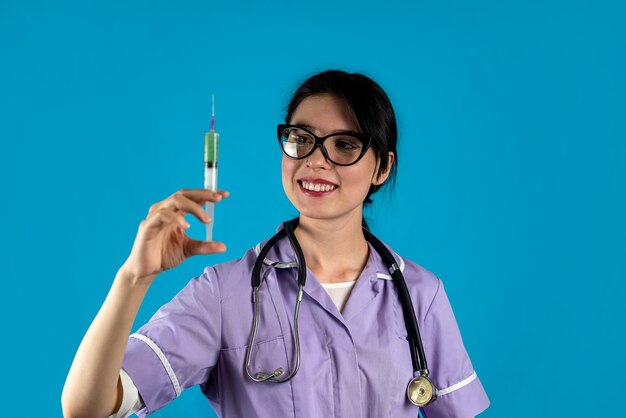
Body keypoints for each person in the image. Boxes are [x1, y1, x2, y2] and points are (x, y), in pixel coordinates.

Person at [62, 70, 490, 418]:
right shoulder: (226, 294)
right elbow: (86, 408)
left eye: (345, 144)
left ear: (382, 167)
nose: (316, 159)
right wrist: (133, 278)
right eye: (301, 139)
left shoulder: (419, 294)